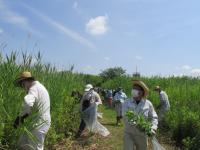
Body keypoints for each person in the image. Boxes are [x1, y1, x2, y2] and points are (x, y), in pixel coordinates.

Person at [13, 71, 51, 150]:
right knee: (23, 142)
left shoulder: (33, 88)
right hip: (37, 122)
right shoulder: (40, 87)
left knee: (36, 147)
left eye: (22, 84)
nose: (23, 87)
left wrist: (21, 117)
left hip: (39, 123)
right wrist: (24, 115)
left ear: (26, 81)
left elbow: (27, 102)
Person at [123, 80, 158, 150]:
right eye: (133, 88)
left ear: (142, 92)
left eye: (136, 89)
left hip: (142, 134)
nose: (133, 90)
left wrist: (153, 127)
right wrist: (137, 123)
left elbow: (154, 117)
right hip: (129, 132)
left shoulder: (148, 104)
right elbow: (125, 115)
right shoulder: (127, 102)